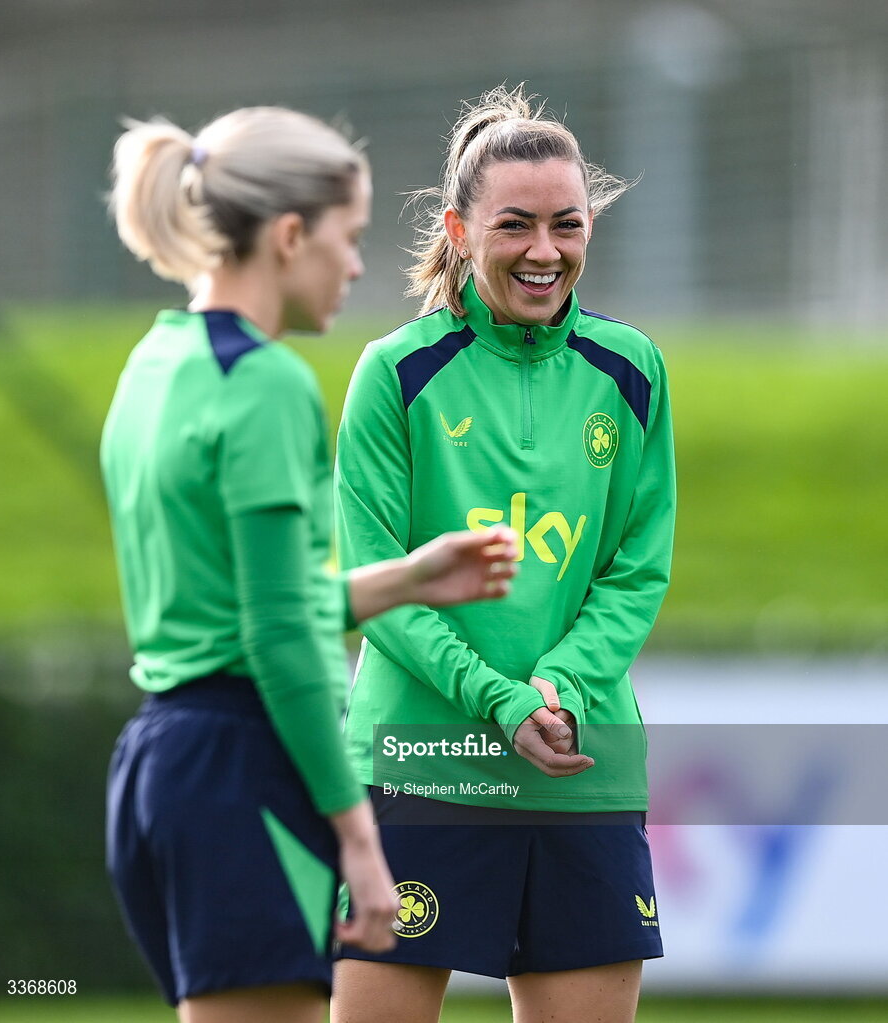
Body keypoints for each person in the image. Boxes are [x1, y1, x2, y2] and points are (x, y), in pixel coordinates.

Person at [101, 106, 523, 1023]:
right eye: (351, 236)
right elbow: (278, 636)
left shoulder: (153, 363)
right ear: (290, 236)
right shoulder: (268, 383)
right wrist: (358, 837)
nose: (360, 264)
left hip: (159, 765)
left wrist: (407, 578)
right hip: (244, 766)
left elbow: (244, 605)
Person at [332, 85, 676, 1023]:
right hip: (422, 760)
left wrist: (558, 687)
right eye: (515, 224)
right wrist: (500, 698)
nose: (543, 251)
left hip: (580, 764)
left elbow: (634, 568)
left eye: (567, 224)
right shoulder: (395, 373)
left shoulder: (631, 370)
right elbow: (380, 587)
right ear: (457, 226)